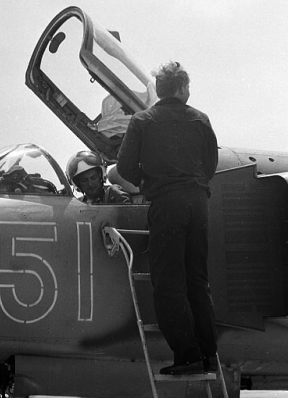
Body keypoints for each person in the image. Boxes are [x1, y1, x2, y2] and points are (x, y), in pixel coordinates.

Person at [117, 61, 219, 375]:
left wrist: (147, 182)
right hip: (198, 203)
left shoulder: (141, 121)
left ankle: (187, 356)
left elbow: (124, 168)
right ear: (182, 88)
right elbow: (211, 163)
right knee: (197, 283)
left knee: (168, 284)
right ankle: (207, 356)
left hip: (167, 206)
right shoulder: (201, 120)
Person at [66, 151, 131, 204]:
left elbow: (129, 215)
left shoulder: (113, 193)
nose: (90, 184)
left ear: (100, 176)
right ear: (78, 184)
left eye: (93, 178)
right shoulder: (78, 204)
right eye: (84, 180)